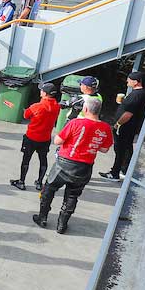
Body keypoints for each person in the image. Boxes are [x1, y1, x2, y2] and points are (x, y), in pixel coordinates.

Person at [33, 97, 113, 234]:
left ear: (85, 109)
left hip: (65, 163)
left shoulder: (76, 122)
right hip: (85, 167)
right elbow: (105, 149)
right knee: (72, 195)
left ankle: (43, 217)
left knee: (49, 189)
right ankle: (62, 225)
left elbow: (58, 141)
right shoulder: (105, 128)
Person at [11, 82, 61, 191]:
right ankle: (39, 182)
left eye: (42, 90)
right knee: (43, 160)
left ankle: (21, 181)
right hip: (45, 138)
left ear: (45, 93)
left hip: (31, 137)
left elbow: (26, 115)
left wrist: (27, 110)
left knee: (26, 160)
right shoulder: (56, 106)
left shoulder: (37, 106)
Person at [101, 71, 145, 181]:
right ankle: (124, 170)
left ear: (136, 82)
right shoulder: (139, 93)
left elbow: (128, 114)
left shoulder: (136, 95)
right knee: (126, 148)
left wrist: (118, 124)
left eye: (129, 79)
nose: (127, 81)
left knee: (120, 149)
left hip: (125, 127)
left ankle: (115, 173)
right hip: (130, 127)